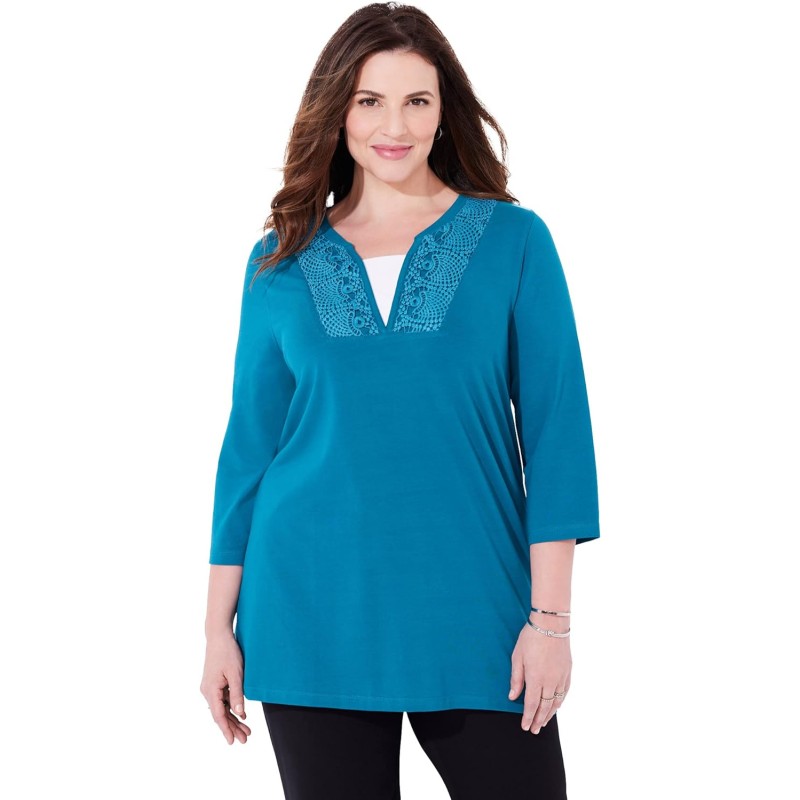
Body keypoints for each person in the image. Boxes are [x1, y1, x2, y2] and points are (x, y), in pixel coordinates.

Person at [200, 3, 600, 798]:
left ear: (444, 110)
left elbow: (558, 437)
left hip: (478, 612)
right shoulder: (279, 259)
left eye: (417, 100)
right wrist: (217, 628)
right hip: (309, 610)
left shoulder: (514, 241)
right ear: (337, 110)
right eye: (369, 100)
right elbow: (249, 450)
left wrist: (550, 623)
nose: (395, 125)